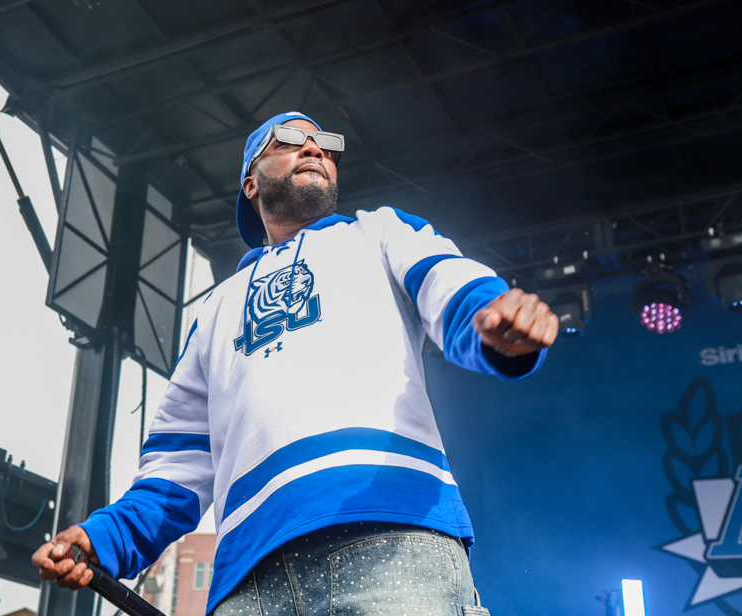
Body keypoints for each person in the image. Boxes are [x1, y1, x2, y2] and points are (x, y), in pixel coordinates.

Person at [33, 111, 558, 616]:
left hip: (391, 536)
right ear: (250, 183)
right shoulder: (215, 309)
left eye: (326, 145)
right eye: (287, 139)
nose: (314, 147)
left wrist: (496, 323)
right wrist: (107, 538)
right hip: (248, 578)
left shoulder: (379, 232)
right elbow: (177, 465)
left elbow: (452, 283)